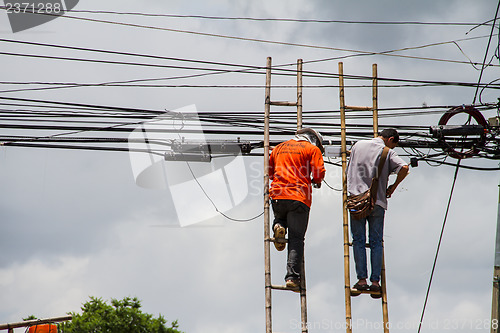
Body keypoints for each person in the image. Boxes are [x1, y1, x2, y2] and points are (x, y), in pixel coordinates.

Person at [346, 128, 409, 295]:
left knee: (358, 240)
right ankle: (375, 282)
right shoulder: (386, 152)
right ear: (390, 139)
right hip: (377, 202)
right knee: (376, 242)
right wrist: (393, 187)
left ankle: (361, 280)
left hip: (356, 200)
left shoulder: (357, 145)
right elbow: (404, 167)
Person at [269, 128, 326, 289]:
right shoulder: (312, 149)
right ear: (314, 140)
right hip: (299, 197)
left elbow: (270, 172)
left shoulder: (279, 148)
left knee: (280, 217)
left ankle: (278, 226)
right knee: (296, 238)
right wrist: (316, 180)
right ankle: (292, 278)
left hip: (278, 195)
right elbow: (319, 173)